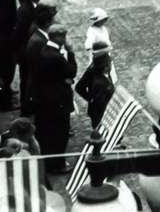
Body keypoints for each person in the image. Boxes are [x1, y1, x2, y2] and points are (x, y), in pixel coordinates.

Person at [31, 24, 76, 172]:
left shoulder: (44, 51)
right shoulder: (56, 56)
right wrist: (71, 53)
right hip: (57, 102)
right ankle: (57, 164)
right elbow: (71, 71)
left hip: (45, 99)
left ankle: (51, 162)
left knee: (48, 132)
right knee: (59, 134)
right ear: (59, 37)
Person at [74, 42, 116, 130]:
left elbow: (79, 87)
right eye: (109, 63)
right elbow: (79, 87)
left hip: (101, 113)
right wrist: (91, 99)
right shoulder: (100, 83)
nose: (111, 65)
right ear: (105, 66)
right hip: (102, 116)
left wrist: (90, 99)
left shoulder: (93, 69)